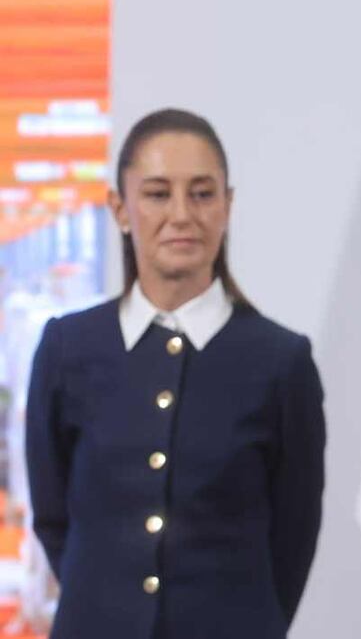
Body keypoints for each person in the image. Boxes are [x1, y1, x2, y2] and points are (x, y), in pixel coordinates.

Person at [26, 108, 326, 638]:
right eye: (158, 193)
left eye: (203, 193)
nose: (182, 214)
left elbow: (293, 538)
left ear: (228, 205)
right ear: (120, 208)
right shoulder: (68, 348)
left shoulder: (280, 361)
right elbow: (54, 520)